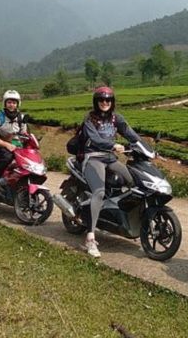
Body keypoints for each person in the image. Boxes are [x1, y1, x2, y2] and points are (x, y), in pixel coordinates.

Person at [80, 86, 140, 258]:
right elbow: (95, 139)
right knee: (99, 192)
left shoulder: (116, 118)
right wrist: (112, 145)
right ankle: (90, 238)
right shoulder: (90, 119)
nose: (105, 103)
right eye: (101, 100)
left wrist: (149, 150)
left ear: (112, 102)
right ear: (96, 102)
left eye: (108, 100)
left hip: (110, 158)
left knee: (134, 182)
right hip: (94, 158)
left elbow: (132, 135)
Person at [0, 90, 27, 193]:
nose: (11, 105)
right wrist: (6, 145)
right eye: (9, 102)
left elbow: (24, 134)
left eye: (14, 103)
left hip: (17, 145)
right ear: (5, 103)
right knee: (7, 157)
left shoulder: (20, 117)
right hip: (0, 145)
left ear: (18, 104)